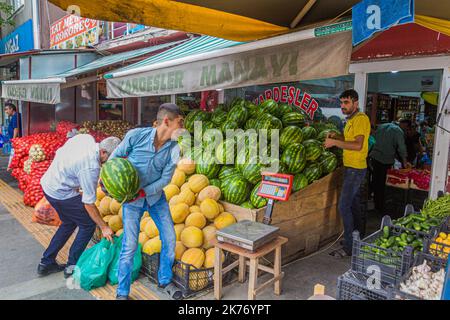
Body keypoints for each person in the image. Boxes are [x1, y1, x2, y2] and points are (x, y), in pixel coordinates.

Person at [110, 103, 184, 300]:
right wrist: (108, 182)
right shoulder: (136, 136)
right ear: (167, 121)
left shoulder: (174, 148)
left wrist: (144, 192)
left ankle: (165, 280)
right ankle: (122, 292)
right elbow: (113, 159)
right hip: (131, 202)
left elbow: (166, 179)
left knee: (169, 237)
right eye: (180, 122)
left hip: (155, 198)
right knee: (130, 245)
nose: (183, 128)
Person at [38, 134, 121, 278]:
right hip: (60, 192)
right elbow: (88, 204)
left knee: (69, 222)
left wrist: (71, 178)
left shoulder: (86, 138)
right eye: (109, 160)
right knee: (88, 224)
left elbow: (62, 152)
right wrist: (104, 227)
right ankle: (72, 266)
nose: (109, 163)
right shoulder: (90, 168)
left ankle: (46, 263)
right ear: (102, 152)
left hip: (49, 182)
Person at [324, 89, 371, 258]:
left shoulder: (361, 119)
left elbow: (358, 145)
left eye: (346, 102)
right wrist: (337, 136)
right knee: (353, 205)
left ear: (355, 103)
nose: (343, 106)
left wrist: (334, 142)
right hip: (351, 168)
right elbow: (348, 139)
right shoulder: (350, 120)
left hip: (356, 169)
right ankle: (357, 239)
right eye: (341, 102)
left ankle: (350, 247)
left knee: (344, 206)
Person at [369, 119, 411, 216]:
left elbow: (373, 138)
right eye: (406, 127)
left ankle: (377, 205)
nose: (405, 130)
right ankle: (382, 208)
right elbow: (401, 147)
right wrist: (404, 161)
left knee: (376, 182)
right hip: (385, 160)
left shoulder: (382, 126)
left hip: (375, 157)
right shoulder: (398, 131)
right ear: (403, 125)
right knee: (383, 184)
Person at [4, 102, 22, 171]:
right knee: (14, 153)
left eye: (7, 109)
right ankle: (11, 167)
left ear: (12, 109)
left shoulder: (15, 116)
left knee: (14, 152)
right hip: (16, 139)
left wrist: (13, 139)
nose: (6, 111)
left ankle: (10, 167)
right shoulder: (15, 116)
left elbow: (16, 128)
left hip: (16, 139)